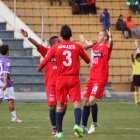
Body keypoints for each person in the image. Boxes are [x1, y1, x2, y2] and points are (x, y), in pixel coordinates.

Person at [37, 25, 90, 138]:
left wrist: (39, 68)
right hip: (74, 79)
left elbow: (45, 60)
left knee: (59, 105)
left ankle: (59, 132)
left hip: (60, 79)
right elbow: (88, 60)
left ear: (61, 35)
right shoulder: (77, 47)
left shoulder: (55, 48)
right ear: (71, 35)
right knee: (76, 104)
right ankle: (76, 125)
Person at [20, 29, 67, 135]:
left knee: (64, 107)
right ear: (53, 44)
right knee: (52, 106)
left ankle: (58, 123)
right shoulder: (47, 51)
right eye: (58, 42)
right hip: (50, 84)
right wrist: (27, 37)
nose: (60, 43)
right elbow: (37, 45)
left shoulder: (64, 53)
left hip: (62, 83)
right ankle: (55, 128)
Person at [80, 29, 113, 134]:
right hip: (92, 78)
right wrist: (84, 40)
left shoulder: (106, 46)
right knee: (85, 101)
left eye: (99, 35)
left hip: (100, 78)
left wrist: (111, 37)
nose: (97, 36)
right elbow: (90, 45)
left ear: (105, 38)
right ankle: (84, 126)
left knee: (91, 100)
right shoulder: (96, 46)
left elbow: (111, 44)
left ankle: (94, 123)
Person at [0, 45, 23, 123]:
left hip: (0, 82)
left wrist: (9, 80)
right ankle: (14, 118)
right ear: (7, 51)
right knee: (10, 100)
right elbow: (5, 72)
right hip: (5, 83)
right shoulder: (7, 60)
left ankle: (14, 118)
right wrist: (6, 82)